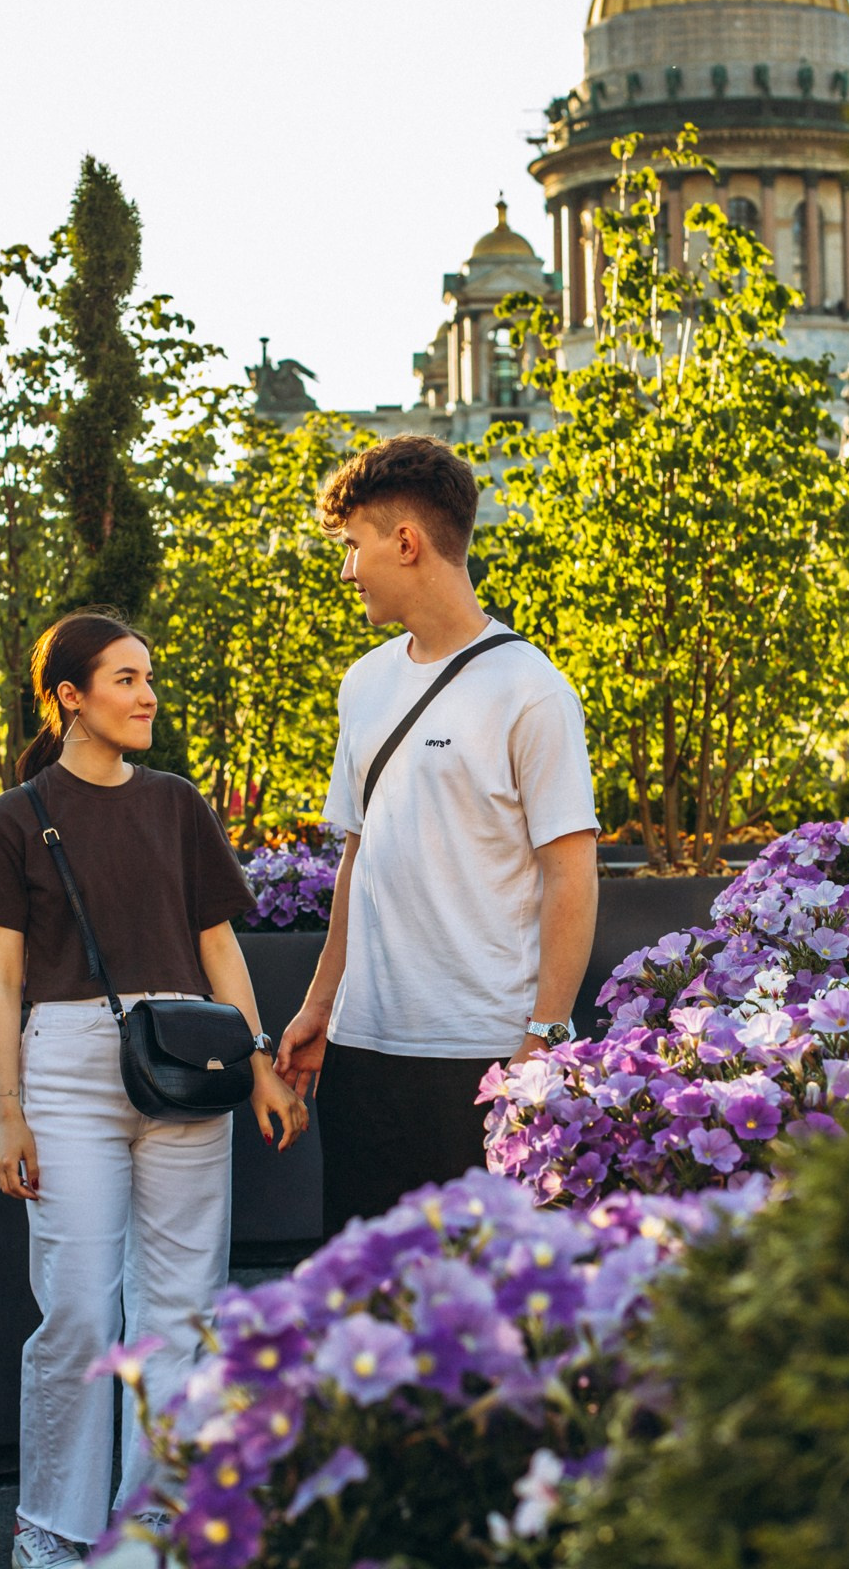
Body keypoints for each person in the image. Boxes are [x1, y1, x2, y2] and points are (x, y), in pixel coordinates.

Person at [0, 610, 309, 1569]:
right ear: (70, 697)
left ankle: (153, 1520)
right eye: (126, 679)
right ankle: (53, 1526)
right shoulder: (13, 819)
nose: (148, 696)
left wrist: (259, 1062)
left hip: (188, 1057)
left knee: (183, 1307)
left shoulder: (178, 804)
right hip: (66, 1069)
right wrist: (9, 1111)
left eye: (148, 678)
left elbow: (218, 946)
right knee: (75, 1310)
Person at [274, 435, 600, 1230]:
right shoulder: (363, 683)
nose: (347, 569)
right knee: (367, 1286)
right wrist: (319, 1007)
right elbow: (360, 855)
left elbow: (572, 873)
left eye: (353, 545)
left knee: (485, 1287)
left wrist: (544, 1041)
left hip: (483, 1058)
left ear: (406, 542)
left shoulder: (531, 690)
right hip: (362, 1050)